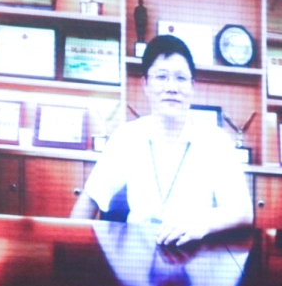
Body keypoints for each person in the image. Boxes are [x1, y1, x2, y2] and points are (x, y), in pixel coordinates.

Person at [70, 35, 253, 246]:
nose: (172, 87)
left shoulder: (216, 140)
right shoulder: (126, 137)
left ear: (192, 86)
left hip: (193, 251)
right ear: (145, 84)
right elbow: (90, 198)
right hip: (136, 254)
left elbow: (243, 211)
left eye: (181, 78)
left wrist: (201, 222)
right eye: (161, 77)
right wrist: (68, 248)